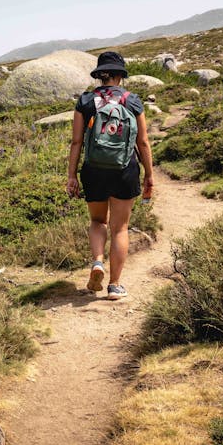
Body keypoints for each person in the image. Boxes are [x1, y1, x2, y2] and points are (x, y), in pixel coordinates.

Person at [66, 51, 154, 300]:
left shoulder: (85, 101)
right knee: (120, 228)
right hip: (125, 169)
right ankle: (115, 285)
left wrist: (72, 176)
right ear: (119, 76)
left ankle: (96, 262)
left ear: (100, 75)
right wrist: (149, 175)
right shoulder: (132, 100)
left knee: (97, 222)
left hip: (93, 170)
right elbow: (143, 142)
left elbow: (76, 142)